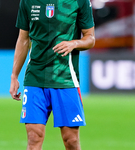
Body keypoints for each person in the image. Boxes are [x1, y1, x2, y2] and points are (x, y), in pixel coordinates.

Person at [9, 0, 95, 149]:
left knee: (71, 140)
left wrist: (74, 43)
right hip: (35, 77)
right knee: (34, 138)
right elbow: (23, 38)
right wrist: (14, 76)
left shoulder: (79, 1)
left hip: (65, 78)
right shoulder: (27, 2)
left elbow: (90, 38)